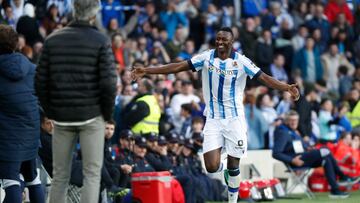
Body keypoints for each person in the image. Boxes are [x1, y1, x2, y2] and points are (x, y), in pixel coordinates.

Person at [132, 27, 300, 203]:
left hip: (235, 119)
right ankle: (225, 166)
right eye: (218, 39)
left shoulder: (241, 61)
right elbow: (179, 66)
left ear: (231, 42)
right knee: (211, 167)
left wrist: (286, 87)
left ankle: (232, 200)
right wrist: (148, 71)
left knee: (234, 164)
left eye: (224, 39)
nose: (220, 42)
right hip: (213, 118)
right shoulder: (206, 57)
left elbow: (264, 78)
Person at [35, 0, 117, 202]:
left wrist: (51, 111)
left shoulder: (53, 40)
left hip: (61, 118)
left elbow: (40, 82)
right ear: (93, 14)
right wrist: (106, 115)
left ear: (74, 10)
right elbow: (108, 84)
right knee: (92, 174)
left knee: (60, 175)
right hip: (91, 117)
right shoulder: (100, 40)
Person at [0, 24, 45, 203]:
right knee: (32, 179)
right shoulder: (32, 68)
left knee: (10, 181)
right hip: (31, 134)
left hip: (7, 137)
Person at [273, 110, 359, 198]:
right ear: (286, 121)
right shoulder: (283, 132)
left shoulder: (293, 131)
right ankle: (342, 177)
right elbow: (276, 153)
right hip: (297, 160)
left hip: (304, 156)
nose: (294, 122)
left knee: (326, 159)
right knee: (325, 150)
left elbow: (297, 146)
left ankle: (335, 190)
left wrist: (308, 148)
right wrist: (292, 160)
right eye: (291, 120)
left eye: (296, 120)